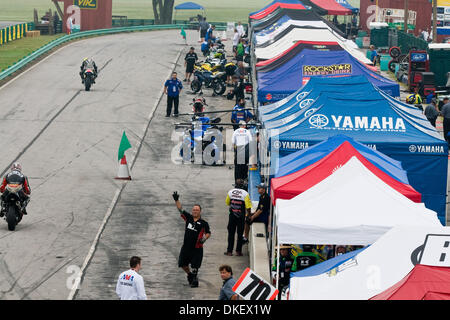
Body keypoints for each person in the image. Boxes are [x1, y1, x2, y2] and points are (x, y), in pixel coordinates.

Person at [172, 191, 211, 288]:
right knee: (182, 264)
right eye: (193, 210)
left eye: (197, 210)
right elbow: (180, 209)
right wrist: (176, 200)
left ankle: (194, 280)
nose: (195, 211)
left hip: (197, 248)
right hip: (186, 247)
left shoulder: (203, 223)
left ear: (200, 211)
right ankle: (190, 275)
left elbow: (208, 233)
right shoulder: (188, 218)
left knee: (195, 266)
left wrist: (204, 238)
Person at [225, 179, 252, 256]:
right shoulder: (245, 193)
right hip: (241, 217)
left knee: (231, 234)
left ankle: (229, 251)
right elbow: (248, 207)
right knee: (240, 234)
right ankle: (238, 251)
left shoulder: (230, 192)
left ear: (235, 185)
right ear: (243, 185)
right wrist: (249, 215)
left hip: (232, 216)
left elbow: (227, 202)